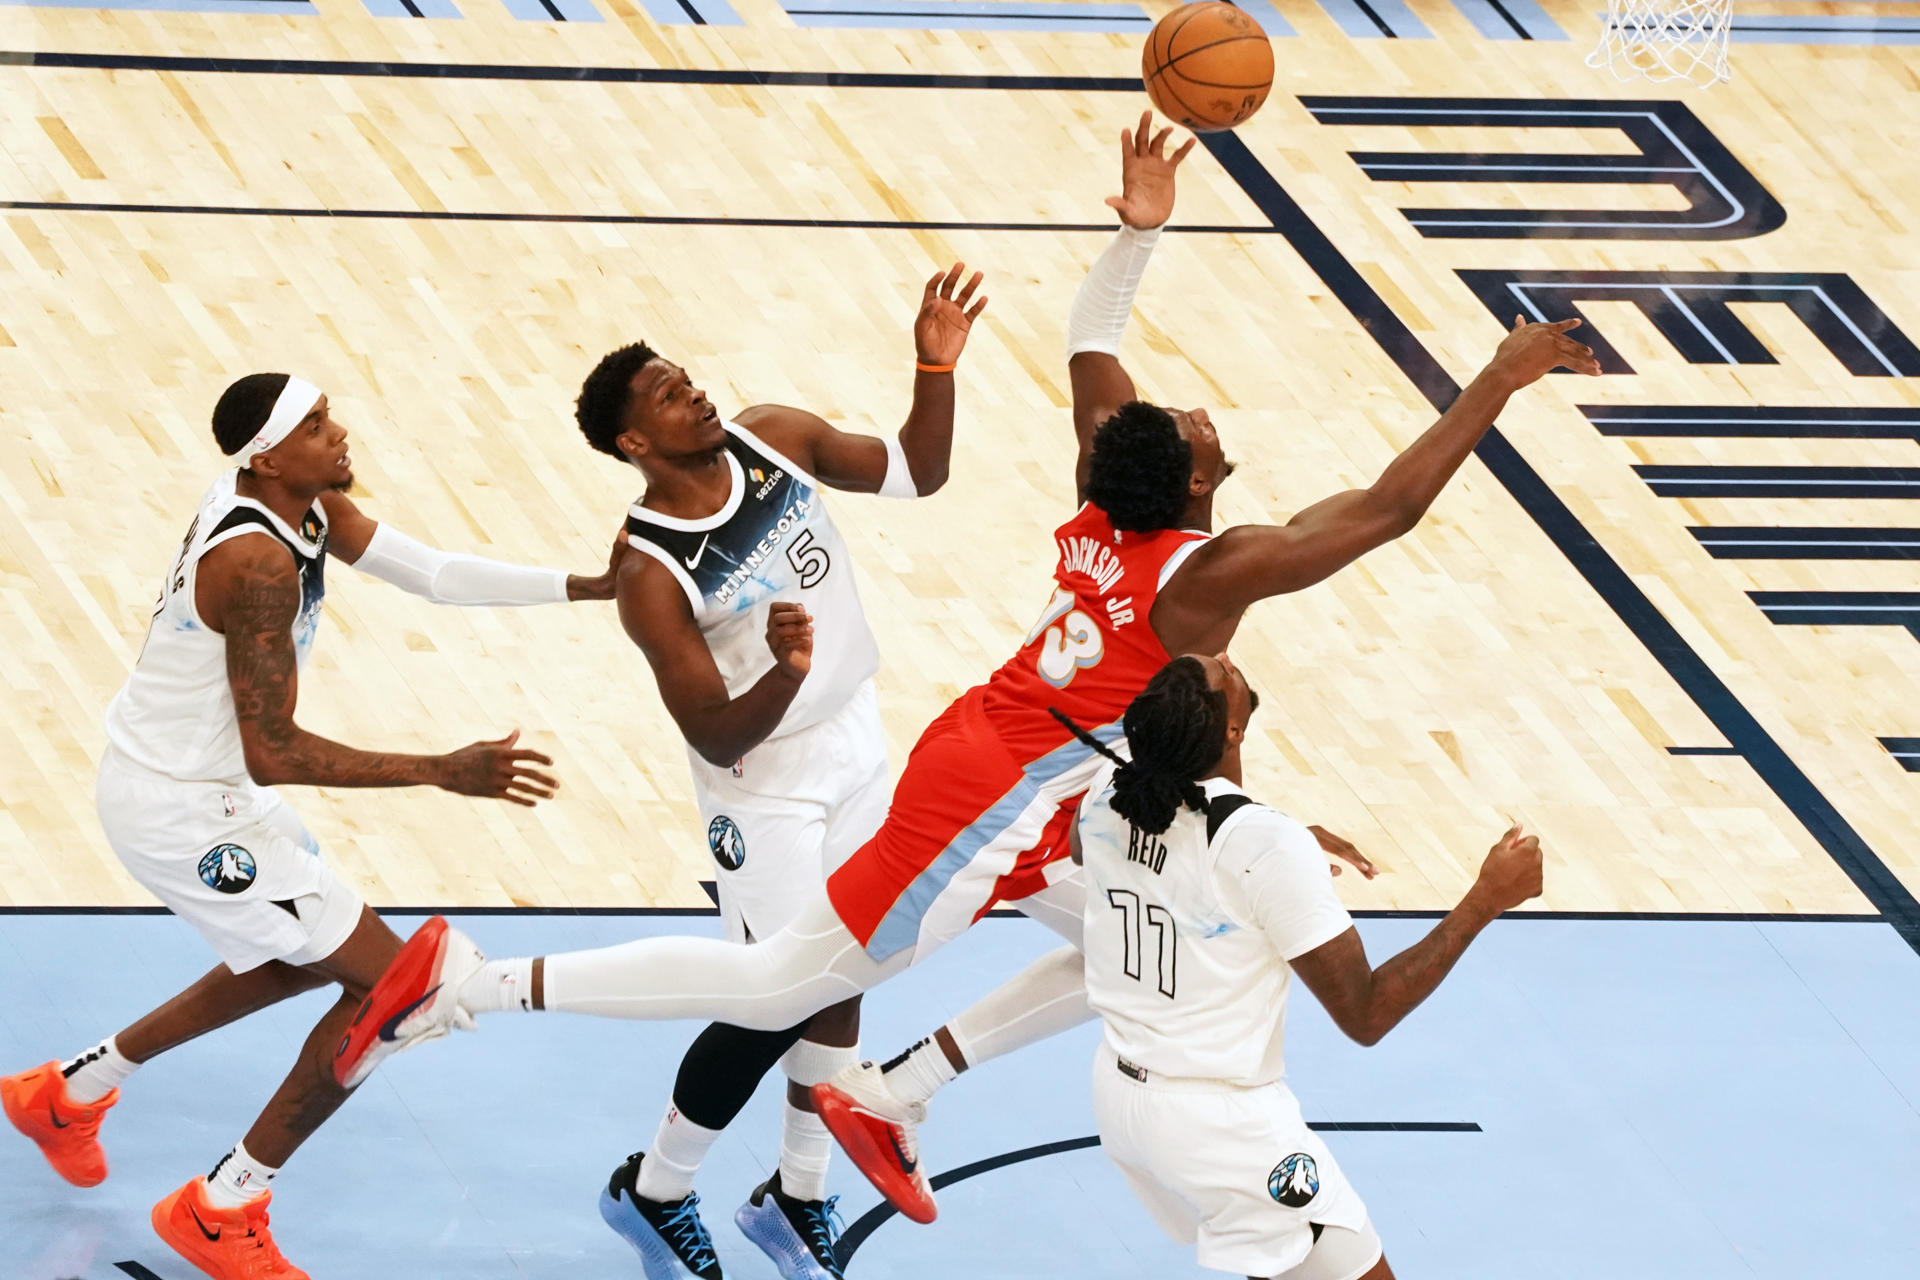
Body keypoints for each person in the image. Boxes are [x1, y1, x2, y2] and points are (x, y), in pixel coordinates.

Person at [330, 112, 1595, 1224]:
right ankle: (475, 983)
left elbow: (1093, 334)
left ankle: (903, 1086)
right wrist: (1495, 374)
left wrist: (1142, 231)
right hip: (991, 790)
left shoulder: (1111, 488)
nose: (1202, 415)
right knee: (785, 982)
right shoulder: (1200, 577)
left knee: (1133, 948)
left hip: (1046, 772)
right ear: (1199, 486)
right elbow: (1385, 509)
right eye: (1200, 424)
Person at [1, 373, 621, 1280]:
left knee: (297, 957)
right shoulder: (256, 566)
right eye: (316, 426)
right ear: (266, 454)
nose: (338, 435)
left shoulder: (299, 502)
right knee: (394, 990)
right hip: (185, 808)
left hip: (194, 783)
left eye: (329, 417)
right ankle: (223, 1206)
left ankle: (70, 1092)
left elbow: (434, 573)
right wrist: (442, 770)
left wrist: (585, 586)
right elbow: (275, 750)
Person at [571, 262, 986, 1280]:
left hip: (859, 739)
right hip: (766, 788)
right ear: (634, 442)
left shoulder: (772, 435)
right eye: (669, 395)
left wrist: (934, 364)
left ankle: (799, 1194)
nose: (696, 393)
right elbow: (713, 730)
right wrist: (786, 673)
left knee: (849, 961)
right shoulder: (649, 572)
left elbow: (916, 469)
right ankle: (656, 1186)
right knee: (776, 993)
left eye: (688, 378)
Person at [1058, 651, 1544, 1280]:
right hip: (1220, 1125)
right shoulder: (1260, 844)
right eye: (1219, 674)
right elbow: (1366, 1014)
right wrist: (1486, 900)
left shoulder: (1110, 791)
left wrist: (1263, 856)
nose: (1227, 659)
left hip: (1121, 1096)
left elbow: (1103, 848)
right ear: (1231, 730)